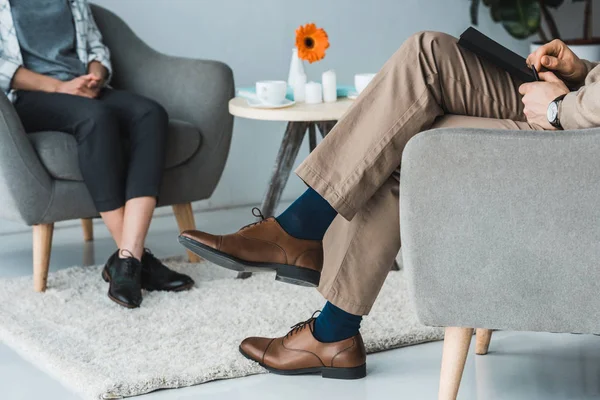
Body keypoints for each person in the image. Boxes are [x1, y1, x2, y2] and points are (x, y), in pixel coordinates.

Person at [180, 31, 599, 378]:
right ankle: (319, 292)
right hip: (585, 103)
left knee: (406, 136)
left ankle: (321, 295)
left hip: (582, 132)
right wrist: (583, 73)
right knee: (428, 53)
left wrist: (561, 108)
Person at [2, 0, 194, 308]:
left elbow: (96, 48)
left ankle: (127, 258)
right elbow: (3, 67)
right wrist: (59, 87)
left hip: (85, 90)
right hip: (32, 97)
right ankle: (139, 261)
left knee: (151, 113)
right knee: (97, 118)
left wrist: (95, 77)